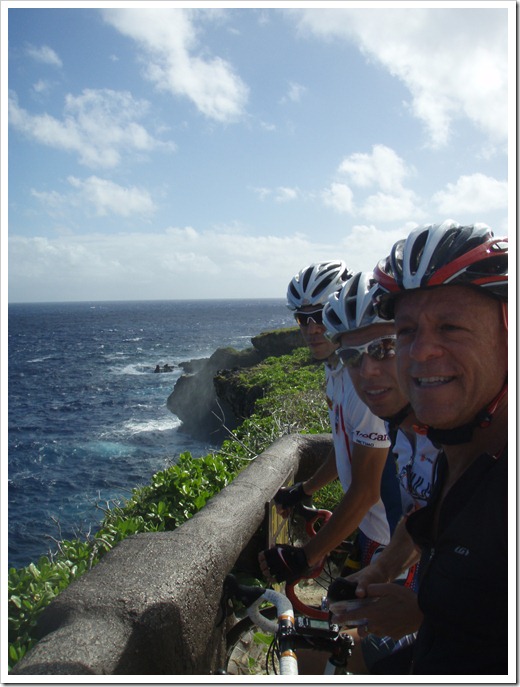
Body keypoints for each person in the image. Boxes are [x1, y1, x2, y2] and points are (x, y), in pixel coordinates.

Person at [341, 221, 508, 674]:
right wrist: (379, 571)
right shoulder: (454, 448)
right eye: (408, 331)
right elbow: (428, 522)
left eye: (450, 327)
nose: (420, 351)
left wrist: (422, 611)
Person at [322, 270, 440, 672]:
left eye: (384, 348)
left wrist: (423, 614)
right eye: (351, 357)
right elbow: (423, 514)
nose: (367, 370)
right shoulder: (406, 431)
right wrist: (381, 571)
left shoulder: (469, 439)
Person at [259, 263, 401, 593]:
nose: (311, 328)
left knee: (359, 632)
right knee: (344, 620)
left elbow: (367, 492)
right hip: (371, 529)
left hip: (392, 539)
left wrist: (305, 556)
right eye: (301, 318)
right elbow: (344, 447)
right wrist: (305, 489)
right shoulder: (337, 370)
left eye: (320, 315)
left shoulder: (362, 386)